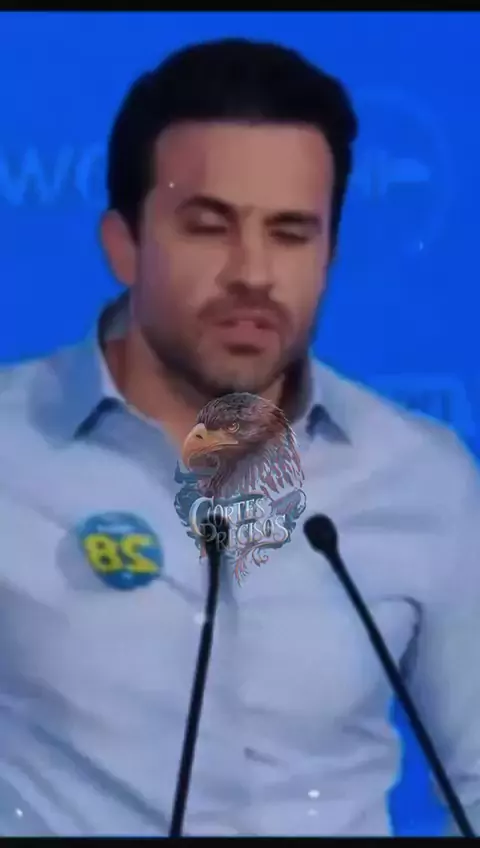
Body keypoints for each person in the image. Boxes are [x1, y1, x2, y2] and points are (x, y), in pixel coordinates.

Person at [0, 37, 478, 838]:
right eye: (209, 228)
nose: (253, 273)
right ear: (123, 244)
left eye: (291, 233)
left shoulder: (423, 477)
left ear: (329, 254)